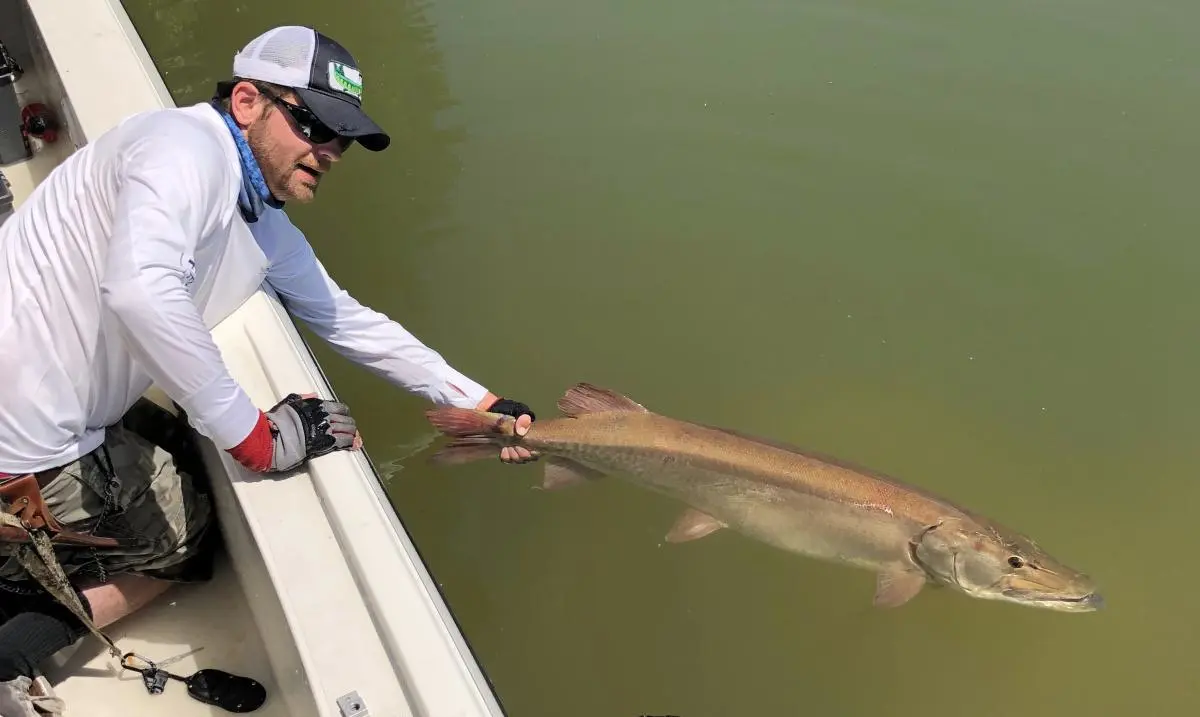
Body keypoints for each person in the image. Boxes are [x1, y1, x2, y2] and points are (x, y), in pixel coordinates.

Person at [0, 24, 536, 703]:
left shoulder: (257, 218)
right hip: (19, 453)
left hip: (33, 403)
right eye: (314, 125)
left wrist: (483, 403)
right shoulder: (183, 148)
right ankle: (10, 643)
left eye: (342, 140)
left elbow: (347, 318)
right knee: (189, 536)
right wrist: (258, 436)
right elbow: (140, 288)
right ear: (248, 101)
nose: (331, 152)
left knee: (178, 447)